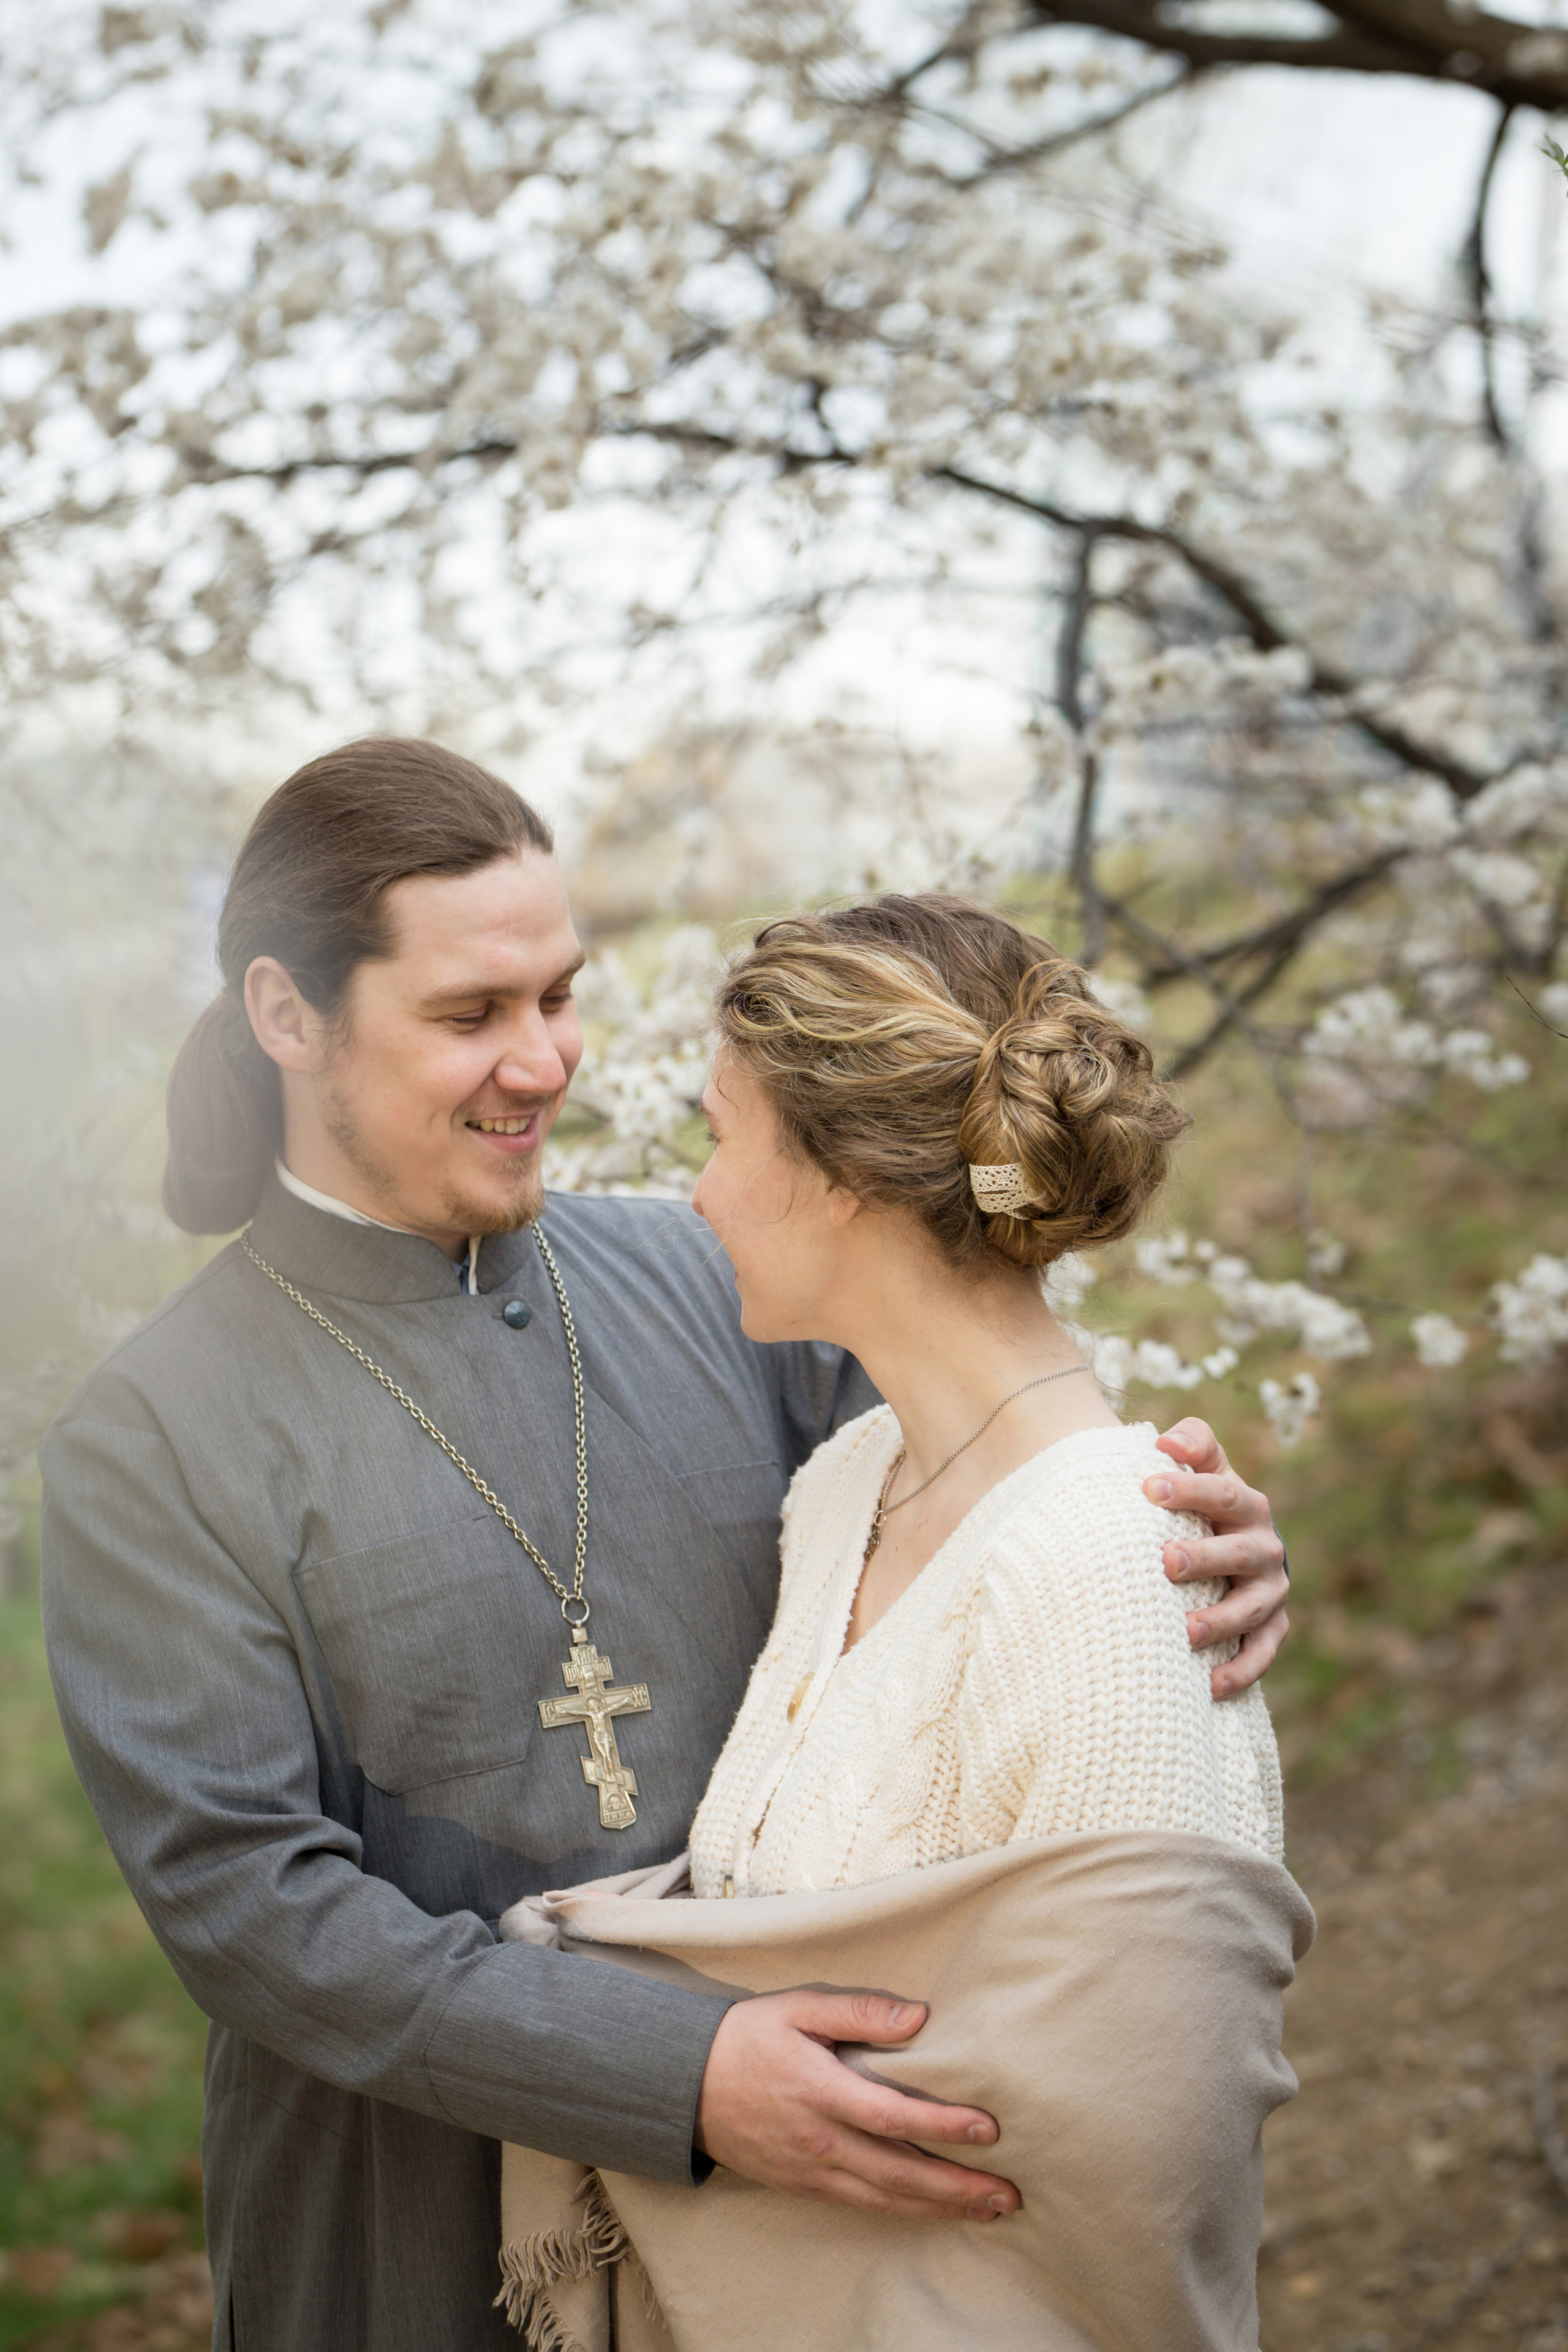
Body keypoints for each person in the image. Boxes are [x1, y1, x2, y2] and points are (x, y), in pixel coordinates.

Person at [40, 741, 1289, 2352]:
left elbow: (993, 1494)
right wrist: (680, 2075)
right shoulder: (156, 1435)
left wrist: (1192, 1538)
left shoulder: (713, 1276)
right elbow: (250, 1907)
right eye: (471, 1015)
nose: (546, 1060)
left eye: (560, 995)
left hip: (812, 2242)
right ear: (289, 1017)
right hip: (404, 2240)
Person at [494, 899, 1305, 2351]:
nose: (698, 1194)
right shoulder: (845, 1483)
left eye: (719, 1137)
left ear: (836, 1176)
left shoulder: (1111, 1574)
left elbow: (1124, 2165)